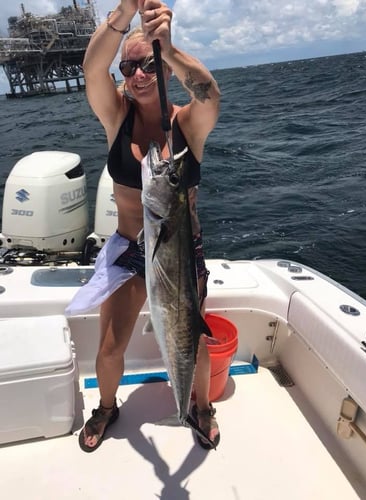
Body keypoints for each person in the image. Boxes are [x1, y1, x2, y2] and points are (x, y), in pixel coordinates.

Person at [66, 0, 221, 452]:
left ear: (166, 69)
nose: (137, 74)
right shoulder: (117, 117)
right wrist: (125, 11)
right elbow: (92, 70)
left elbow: (209, 94)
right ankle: (108, 405)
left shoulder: (187, 126)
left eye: (147, 64)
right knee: (111, 344)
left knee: (194, 335)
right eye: (129, 66)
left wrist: (167, 48)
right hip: (130, 247)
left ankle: (201, 406)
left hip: (178, 248)